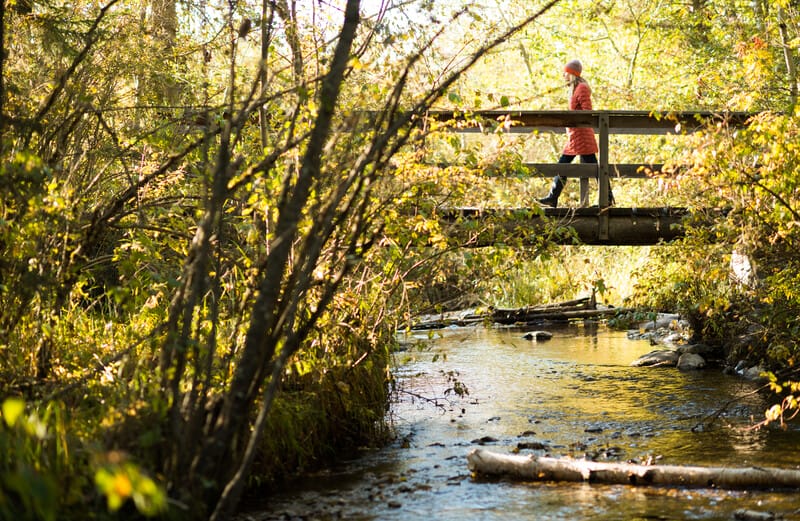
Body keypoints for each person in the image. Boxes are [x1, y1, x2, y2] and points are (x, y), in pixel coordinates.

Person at [537, 59, 613, 207]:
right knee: (571, 166)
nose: (563, 75)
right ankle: (553, 197)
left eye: (566, 72)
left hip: (582, 136)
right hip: (575, 137)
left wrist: (574, 120)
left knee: (594, 169)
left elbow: (587, 111)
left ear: (572, 73)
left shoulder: (582, 88)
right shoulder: (575, 88)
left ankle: (608, 199)